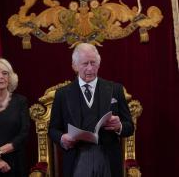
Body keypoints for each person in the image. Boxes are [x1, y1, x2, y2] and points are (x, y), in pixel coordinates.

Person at [49, 43, 134, 177]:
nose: (90, 68)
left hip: (108, 156)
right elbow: (53, 129)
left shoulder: (115, 89)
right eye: (85, 63)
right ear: (74, 66)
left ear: (99, 64)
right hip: (77, 156)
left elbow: (129, 127)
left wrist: (119, 126)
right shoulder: (62, 94)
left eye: (93, 63)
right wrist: (62, 137)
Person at [0, 58, 30, 177]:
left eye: (4, 73)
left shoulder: (21, 101)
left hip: (15, 161)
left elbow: (24, 133)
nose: (1, 76)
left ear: (10, 77)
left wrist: (1, 151)